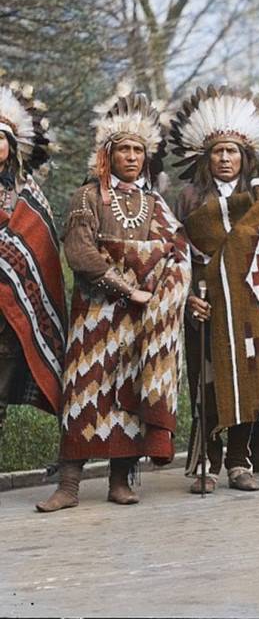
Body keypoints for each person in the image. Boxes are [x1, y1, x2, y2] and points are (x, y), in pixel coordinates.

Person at [37, 88, 191, 512]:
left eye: (137, 150)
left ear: (146, 157)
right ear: (107, 154)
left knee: (128, 395)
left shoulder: (155, 203)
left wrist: (157, 287)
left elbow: (176, 250)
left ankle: (120, 481)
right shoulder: (87, 196)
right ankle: (68, 486)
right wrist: (129, 284)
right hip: (94, 315)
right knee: (83, 393)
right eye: (122, 149)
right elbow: (81, 253)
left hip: (140, 321)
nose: (131, 157)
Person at [170, 84, 259, 493]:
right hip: (207, 305)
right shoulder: (189, 198)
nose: (225, 159)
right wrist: (188, 295)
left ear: (245, 158)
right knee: (208, 382)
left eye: (232, 152)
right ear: (206, 158)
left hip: (251, 308)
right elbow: (176, 252)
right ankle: (207, 464)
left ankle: (238, 462)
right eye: (218, 152)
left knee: (249, 377)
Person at [0, 79, 65, 456]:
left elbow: (41, 251)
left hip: (10, 312)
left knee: (0, 391)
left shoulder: (28, 192)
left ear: (11, 148)